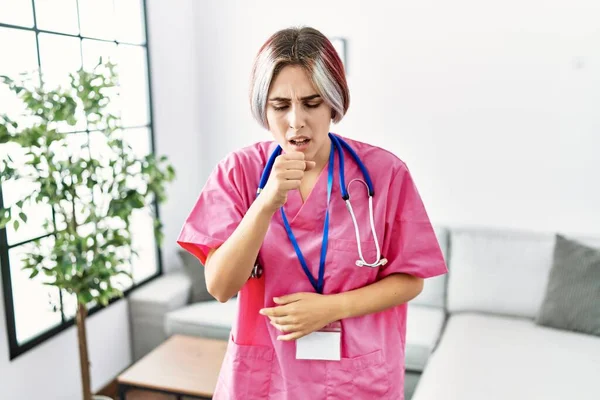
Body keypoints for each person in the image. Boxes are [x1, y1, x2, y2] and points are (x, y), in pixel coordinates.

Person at [177, 26, 448, 400]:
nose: (296, 121)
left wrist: (331, 308)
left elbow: (411, 280)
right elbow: (221, 287)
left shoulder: (384, 174)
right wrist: (265, 202)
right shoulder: (239, 173)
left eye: (312, 102)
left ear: (334, 103)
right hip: (265, 379)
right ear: (262, 107)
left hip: (356, 377)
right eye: (280, 105)